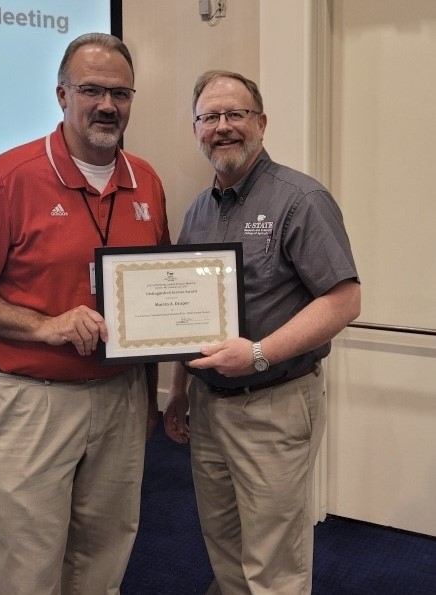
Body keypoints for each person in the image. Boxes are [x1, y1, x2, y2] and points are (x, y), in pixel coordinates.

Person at [0, 33, 170, 595]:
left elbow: (156, 297)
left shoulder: (147, 181)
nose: (107, 104)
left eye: (120, 93)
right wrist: (42, 325)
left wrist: (150, 396)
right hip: (34, 401)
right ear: (61, 94)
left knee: (106, 553)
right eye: (91, 90)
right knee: (30, 567)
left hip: (122, 398)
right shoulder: (8, 176)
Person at [164, 70, 360, 595]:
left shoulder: (301, 199)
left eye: (236, 114)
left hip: (273, 404)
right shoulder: (198, 211)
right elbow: (189, 311)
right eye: (210, 117)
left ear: (262, 123)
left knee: (273, 562)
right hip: (208, 404)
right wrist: (179, 392)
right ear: (197, 129)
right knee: (224, 546)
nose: (223, 127)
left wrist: (256, 353)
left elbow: (344, 299)